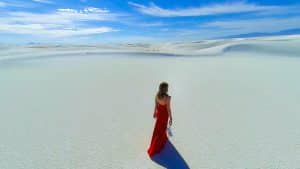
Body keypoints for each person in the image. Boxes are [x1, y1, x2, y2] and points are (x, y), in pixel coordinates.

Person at [147, 81, 173, 157]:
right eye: (167, 88)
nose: (168, 89)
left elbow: (156, 104)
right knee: (162, 129)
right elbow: (168, 109)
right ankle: (157, 146)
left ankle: (155, 143)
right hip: (164, 115)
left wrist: (155, 112)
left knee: (157, 129)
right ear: (165, 89)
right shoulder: (167, 98)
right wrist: (171, 117)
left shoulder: (157, 95)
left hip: (159, 114)